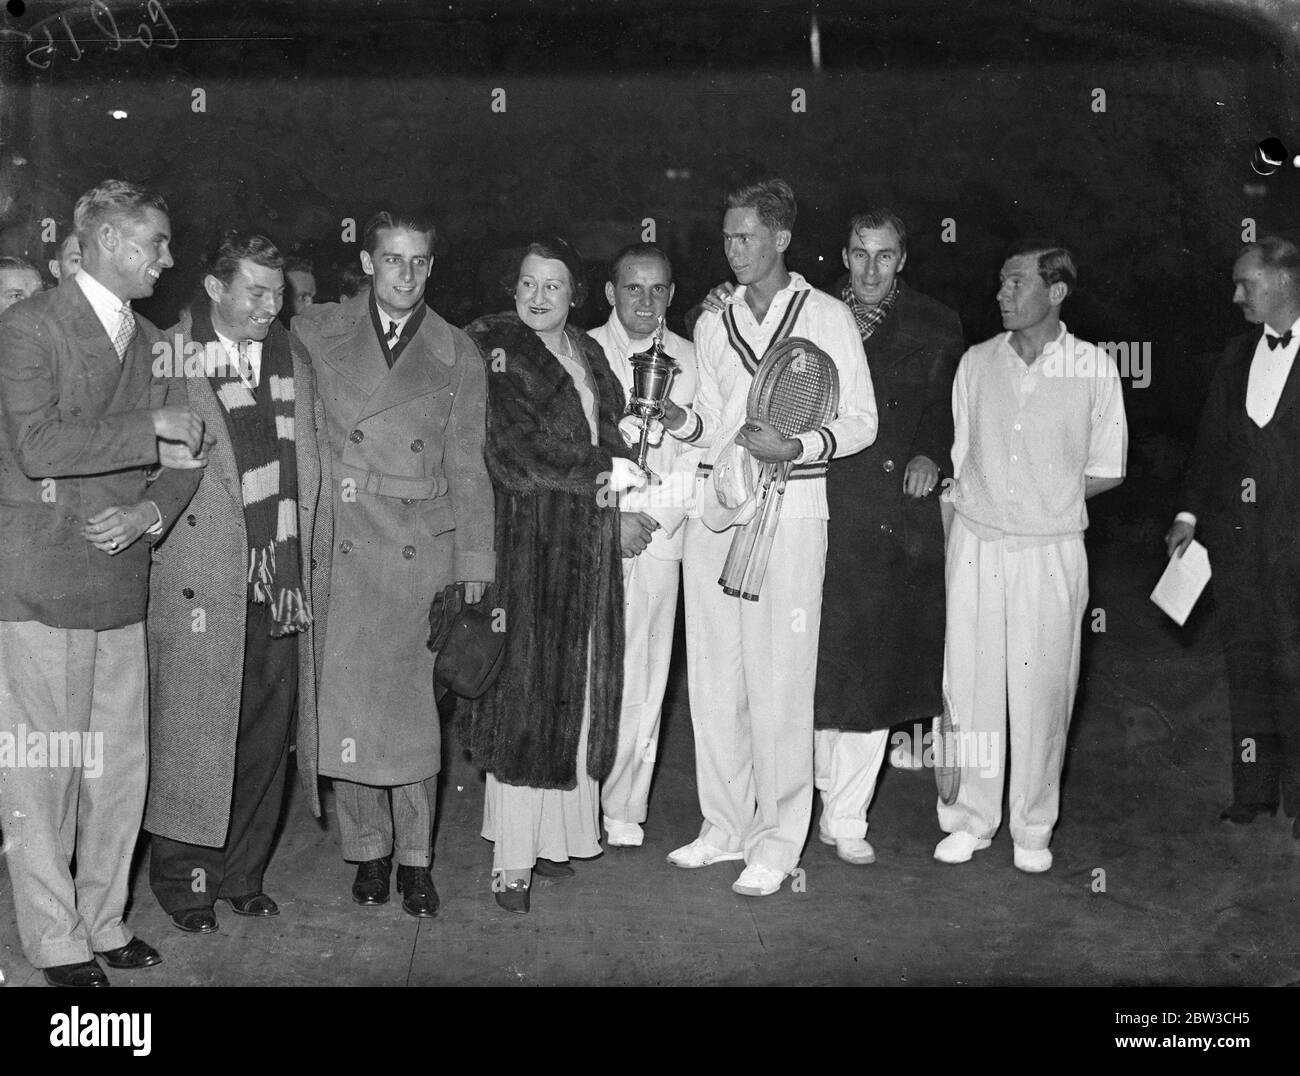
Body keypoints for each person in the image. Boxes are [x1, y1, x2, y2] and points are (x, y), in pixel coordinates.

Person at [0, 179, 207, 987]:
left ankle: (104, 921)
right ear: (112, 242)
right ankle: (55, 939)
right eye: (155, 242)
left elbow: (189, 453)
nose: (166, 257)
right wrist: (146, 427)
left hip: (120, 580)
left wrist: (148, 514)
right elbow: (39, 447)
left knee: (118, 772)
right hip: (39, 582)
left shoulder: (155, 339)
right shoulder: (27, 328)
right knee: (44, 772)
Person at [660, 177, 878, 897]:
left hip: (795, 512)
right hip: (718, 512)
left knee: (781, 679)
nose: (734, 250)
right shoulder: (712, 322)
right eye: (726, 238)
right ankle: (724, 827)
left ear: (782, 238)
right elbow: (718, 417)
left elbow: (862, 423)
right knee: (716, 678)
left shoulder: (827, 316)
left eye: (747, 237)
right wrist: (691, 457)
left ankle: (780, 842)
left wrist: (800, 446)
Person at [295, 210, 493, 918]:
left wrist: (476, 562)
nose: (406, 273)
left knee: (410, 720)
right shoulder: (318, 334)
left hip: (420, 550)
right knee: (351, 710)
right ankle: (368, 854)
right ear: (369, 263)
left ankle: (416, 861)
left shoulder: (457, 352)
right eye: (393, 260)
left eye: (419, 261)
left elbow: (469, 467)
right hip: (347, 542)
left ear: (432, 267)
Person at [144, 232, 333, 934]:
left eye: (276, 291)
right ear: (216, 288)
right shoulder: (168, 352)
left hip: (279, 580)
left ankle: (242, 875)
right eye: (254, 290)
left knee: (264, 736)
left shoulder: (293, 357)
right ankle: (185, 883)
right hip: (203, 579)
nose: (268, 305)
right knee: (194, 737)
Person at [464, 237, 644, 913]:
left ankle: (555, 840)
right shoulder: (494, 345)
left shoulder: (588, 351)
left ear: (575, 294)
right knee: (528, 696)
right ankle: (511, 861)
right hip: (528, 544)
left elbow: (609, 428)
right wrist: (602, 472)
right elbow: (512, 451)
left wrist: (624, 463)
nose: (538, 297)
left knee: (579, 688)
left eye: (554, 286)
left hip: (587, 542)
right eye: (529, 283)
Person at [937, 240, 1126, 873]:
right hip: (975, 546)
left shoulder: (1094, 368)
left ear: (1057, 291)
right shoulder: (976, 363)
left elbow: (1108, 467)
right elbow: (963, 460)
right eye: (1000, 282)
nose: (1001, 294)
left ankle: (1032, 826)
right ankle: (971, 819)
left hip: (1049, 553)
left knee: (1043, 693)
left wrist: (1045, 502)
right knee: (971, 687)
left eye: (1015, 283)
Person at [812, 209, 964, 864]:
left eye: (884, 255)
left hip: (891, 518)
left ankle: (847, 815)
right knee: (816, 665)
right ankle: (814, 791)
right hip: (818, 508)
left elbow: (950, 410)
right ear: (843, 256)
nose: (870, 269)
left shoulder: (936, 323)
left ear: (902, 260)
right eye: (859, 253)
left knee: (874, 669)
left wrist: (932, 453)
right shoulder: (812, 315)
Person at [1165, 236, 1300, 838]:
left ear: (1286, 282)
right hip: (1240, 546)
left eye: (1247, 283)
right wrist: (1188, 518)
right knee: (1246, 666)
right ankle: (1253, 792)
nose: (1236, 294)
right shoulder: (1234, 355)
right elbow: (1210, 446)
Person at [588, 242, 697, 848]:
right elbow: (580, 449)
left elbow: (700, 456)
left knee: (645, 678)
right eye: (634, 288)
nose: (646, 301)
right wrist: (613, 518)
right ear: (611, 292)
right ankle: (575, 800)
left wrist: (651, 518)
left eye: (659, 290)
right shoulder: (583, 350)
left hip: (656, 540)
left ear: (672, 295)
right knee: (587, 671)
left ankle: (623, 806)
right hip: (595, 531)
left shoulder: (690, 357)